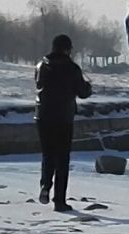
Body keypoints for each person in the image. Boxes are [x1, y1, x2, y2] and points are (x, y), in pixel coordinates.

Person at [33, 33, 91, 210]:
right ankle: (59, 201)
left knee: (47, 154)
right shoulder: (72, 68)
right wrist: (89, 87)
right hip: (63, 118)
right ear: (67, 49)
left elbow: (38, 86)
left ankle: (45, 185)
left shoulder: (41, 65)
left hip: (42, 116)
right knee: (62, 158)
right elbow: (82, 92)